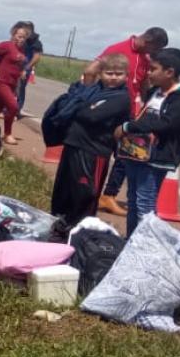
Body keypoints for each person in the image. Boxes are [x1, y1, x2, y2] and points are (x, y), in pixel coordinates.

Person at [47, 54, 130, 242]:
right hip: (73, 144)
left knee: (86, 194)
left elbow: (89, 115)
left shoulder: (122, 97)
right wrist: (86, 85)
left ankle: (81, 231)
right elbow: (75, 98)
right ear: (101, 74)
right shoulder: (94, 90)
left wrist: (78, 104)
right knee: (65, 189)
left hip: (94, 151)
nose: (114, 77)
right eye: (109, 73)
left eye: (119, 74)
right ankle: (61, 225)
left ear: (126, 76)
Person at [91, 27, 170, 216]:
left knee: (125, 156)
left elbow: (143, 84)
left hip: (132, 114)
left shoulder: (145, 58)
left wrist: (146, 104)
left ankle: (109, 195)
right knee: (104, 154)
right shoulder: (117, 49)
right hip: (111, 110)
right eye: (155, 48)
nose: (154, 53)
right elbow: (93, 70)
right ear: (148, 40)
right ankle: (94, 195)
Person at [113, 47, 180, 236]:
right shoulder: (155, 92)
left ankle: (143, 247)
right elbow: (144, 117)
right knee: (133, 201)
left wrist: (129, 127)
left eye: (153, 69)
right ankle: (130, 242)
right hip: (137, 154)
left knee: (145, 205)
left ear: (169, 72)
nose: (149, 73)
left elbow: (165, 124)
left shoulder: (178, 98)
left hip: (156, 159)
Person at [16, 21, 43, 117]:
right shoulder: (23, 39)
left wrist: (27, 68)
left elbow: (37, 57)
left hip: (25, 67)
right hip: (16, 65)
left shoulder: (36, 42)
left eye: (25, 29)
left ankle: (17, 110)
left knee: (20, 89)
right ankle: (8, 107)